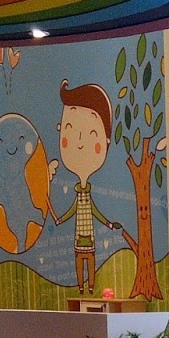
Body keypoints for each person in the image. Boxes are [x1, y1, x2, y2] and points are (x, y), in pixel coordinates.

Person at [48, 80, 123, 294]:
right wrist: (60, 219)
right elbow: (73, 210)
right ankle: (81, 285)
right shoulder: (79, 195)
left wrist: (108, 224)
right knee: (79, 259)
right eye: (70, 130)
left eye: (91, 134)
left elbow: (95, 212)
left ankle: (90, 285)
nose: (79, 143)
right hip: (79, 235)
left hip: (88, 234)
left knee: (89, 259)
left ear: (106, 140)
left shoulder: (87, 196)